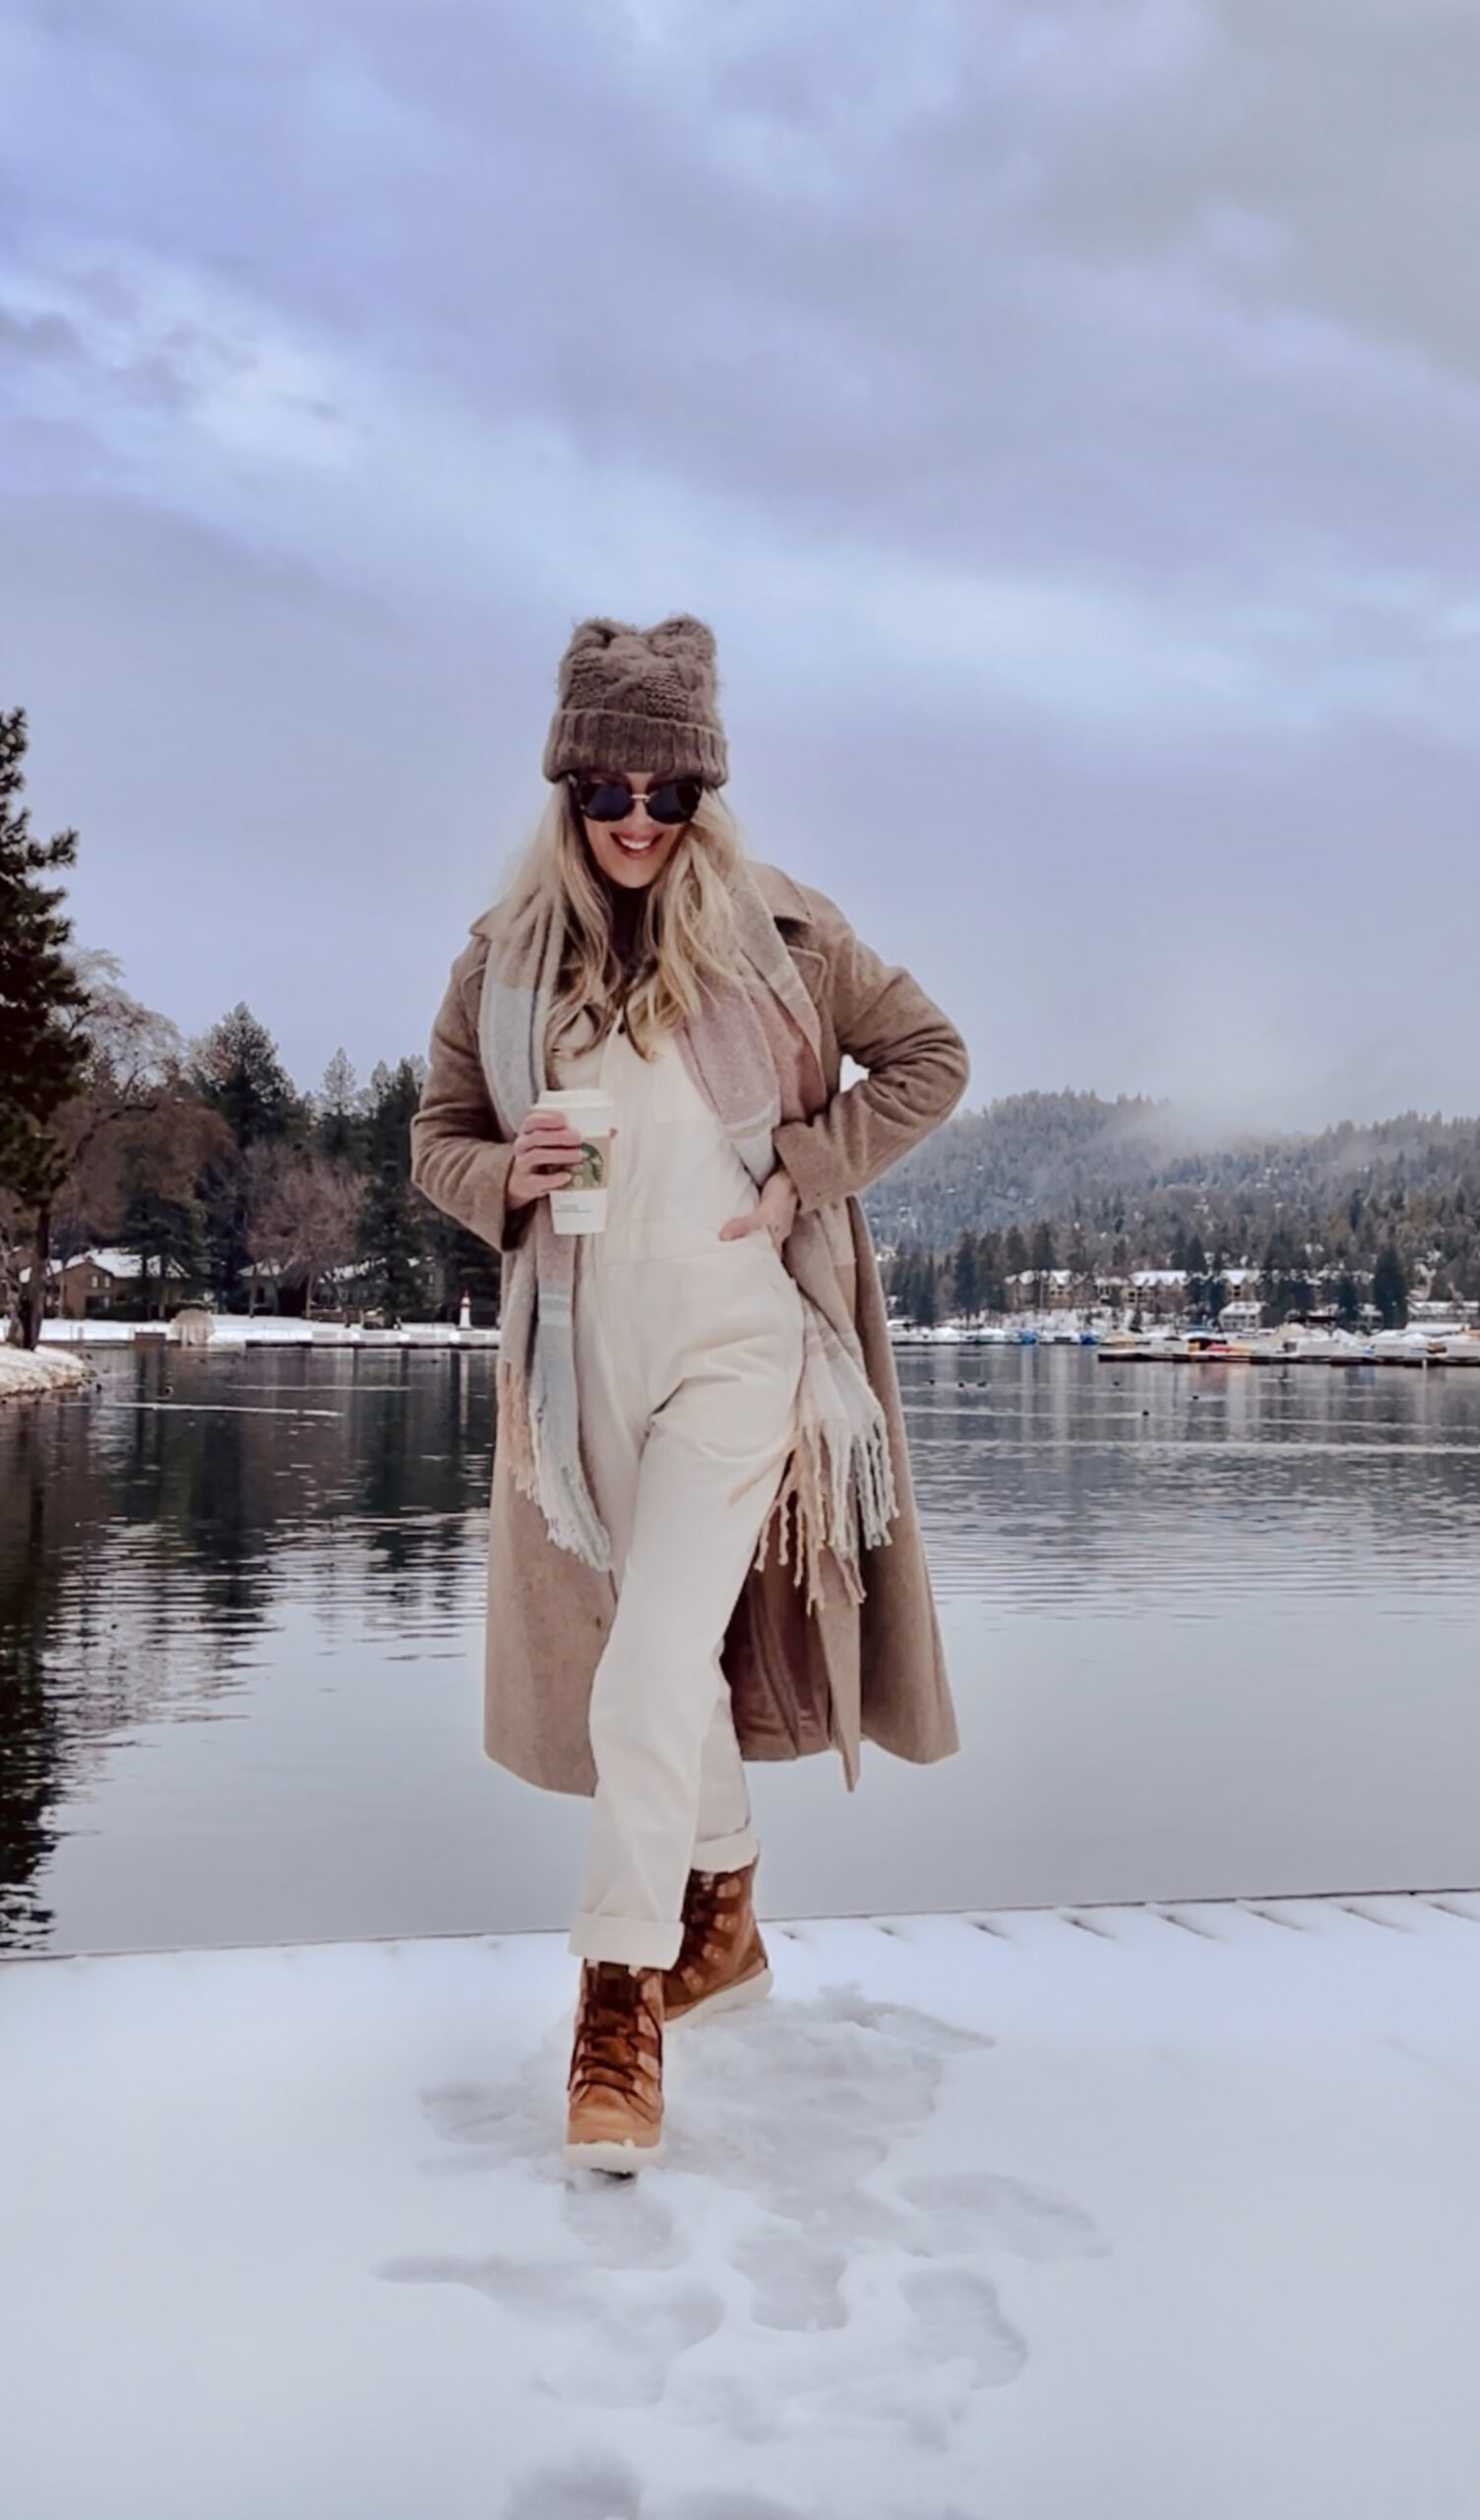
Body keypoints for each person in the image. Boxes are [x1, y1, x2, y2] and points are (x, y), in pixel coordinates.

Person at [410, 615, 967, 2172]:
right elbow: (435, 1129)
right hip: (581, 1357)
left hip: (744, 1354)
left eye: (670, 789)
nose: (640, 817)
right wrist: (493, 1176)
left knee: (650, 1667)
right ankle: (719, 1908)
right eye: (609, 789)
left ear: (709, 795)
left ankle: (617, 2000)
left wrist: (808, 1168)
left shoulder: (786, 937)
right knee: (658, 1661)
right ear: (568, 792)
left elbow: (927, 1057)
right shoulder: (505, 955)